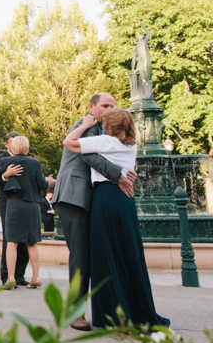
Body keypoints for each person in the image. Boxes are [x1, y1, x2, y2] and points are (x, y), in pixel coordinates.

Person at [63, 108, 169, 329]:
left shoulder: (105, 142)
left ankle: (114, 315)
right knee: (127, 253)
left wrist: (84, 125)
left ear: (110, 126)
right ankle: (135, 311)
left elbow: (69, 142)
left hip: (106, 198)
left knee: (106, 254)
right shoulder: (131, 146)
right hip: (125, 201)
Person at [51, 93, 137, 331]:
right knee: (81, 256)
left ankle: (109, 310)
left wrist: (129, 169)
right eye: (104, 105)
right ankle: (74, 313)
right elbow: (91, 157)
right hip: (74, 196)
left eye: (112, 105)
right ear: (91, 107)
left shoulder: (104, 130)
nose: (109, 109)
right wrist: (119, 176)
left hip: (90, 198)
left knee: (94, 255)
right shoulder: (87, 125)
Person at [0, 135, 50, 290]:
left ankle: (11, 278)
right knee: (31, 242)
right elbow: (43, 185)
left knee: (12, 241)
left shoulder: (6, 161)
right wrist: (47, 181)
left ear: (13, 147)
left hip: (15, 204)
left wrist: (5, 175)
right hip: (32, 205)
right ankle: (36, 277)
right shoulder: (35, 163)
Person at [0, 132, 30, 286]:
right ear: (6, 144)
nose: (15, 145)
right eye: (12, 142)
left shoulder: (28, 160)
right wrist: (6, 175)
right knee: (9, 238)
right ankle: (7, 277)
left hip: (25, 202)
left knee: (25, 238)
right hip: (7, 202)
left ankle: (19, 275)